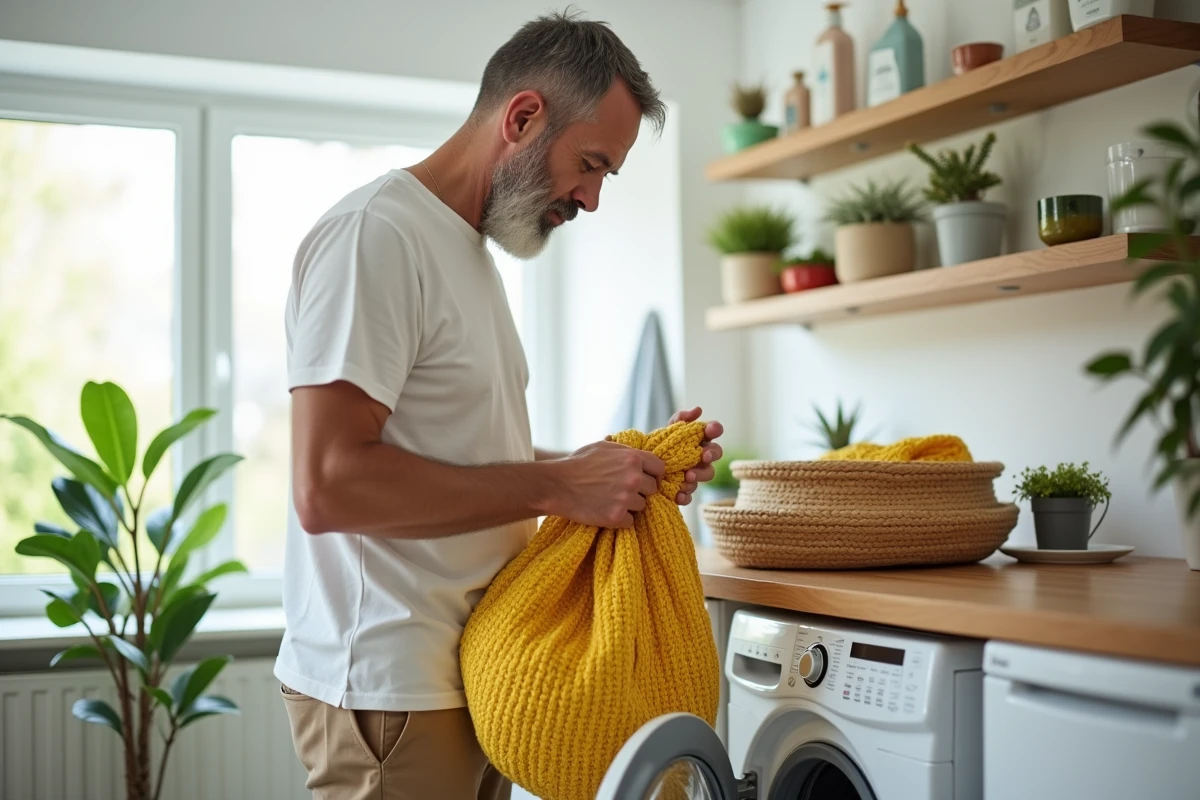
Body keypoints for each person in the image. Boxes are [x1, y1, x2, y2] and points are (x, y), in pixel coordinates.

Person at [274, 9, 725, 800]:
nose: (590, 200)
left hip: (472, 676)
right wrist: (559, 487)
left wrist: (613, 472)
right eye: (590, 164)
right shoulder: (376, 236)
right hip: (389, 690)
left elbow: (472, 455)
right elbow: (328, 485)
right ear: (522, 117)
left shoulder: (468, 252)